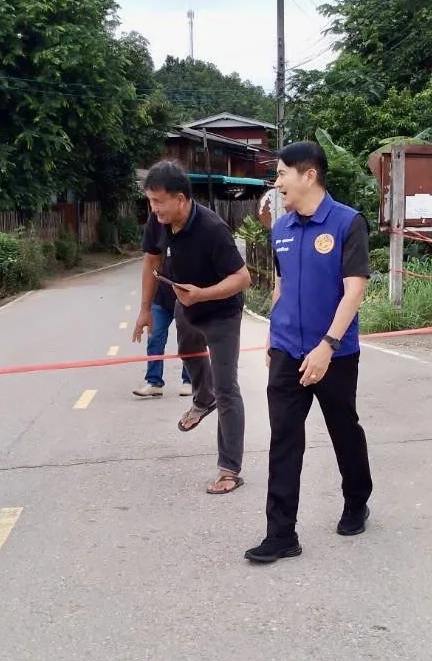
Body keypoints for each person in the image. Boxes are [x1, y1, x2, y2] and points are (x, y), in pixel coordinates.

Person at [244, 141, 373, 564]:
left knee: (343, 428)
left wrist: (327, 346)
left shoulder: (347, 223)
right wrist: (272, 336)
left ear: (309, 175)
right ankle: (281, 534)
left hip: (334, 352)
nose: (277, 183)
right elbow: (280, 287)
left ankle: (356, 499)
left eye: (282, 174)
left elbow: (354, 291)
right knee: (283, 438)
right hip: (287, 350)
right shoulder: (280, 228)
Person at [132, 160, 251, 495]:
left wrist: (203, 294)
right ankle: (203, 397)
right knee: (187, 351)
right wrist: (145, 309)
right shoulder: (158, 221)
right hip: (187, 305)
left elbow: (243, 278)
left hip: (222, 311)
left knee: (227, 387)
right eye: (150, 201)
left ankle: (229, 469)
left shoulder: (213, 229)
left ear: (180, 199)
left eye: (158, 201)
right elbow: (152, 260)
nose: (153, 209)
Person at [131, 229, 191, 398]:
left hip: (187, 298)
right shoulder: (158, 229)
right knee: (154, 336)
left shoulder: (195, 230)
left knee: (188, 339)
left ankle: (189, 380)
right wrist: (145, 308)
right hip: (161, 297)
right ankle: (154, 382)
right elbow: (150, 261)